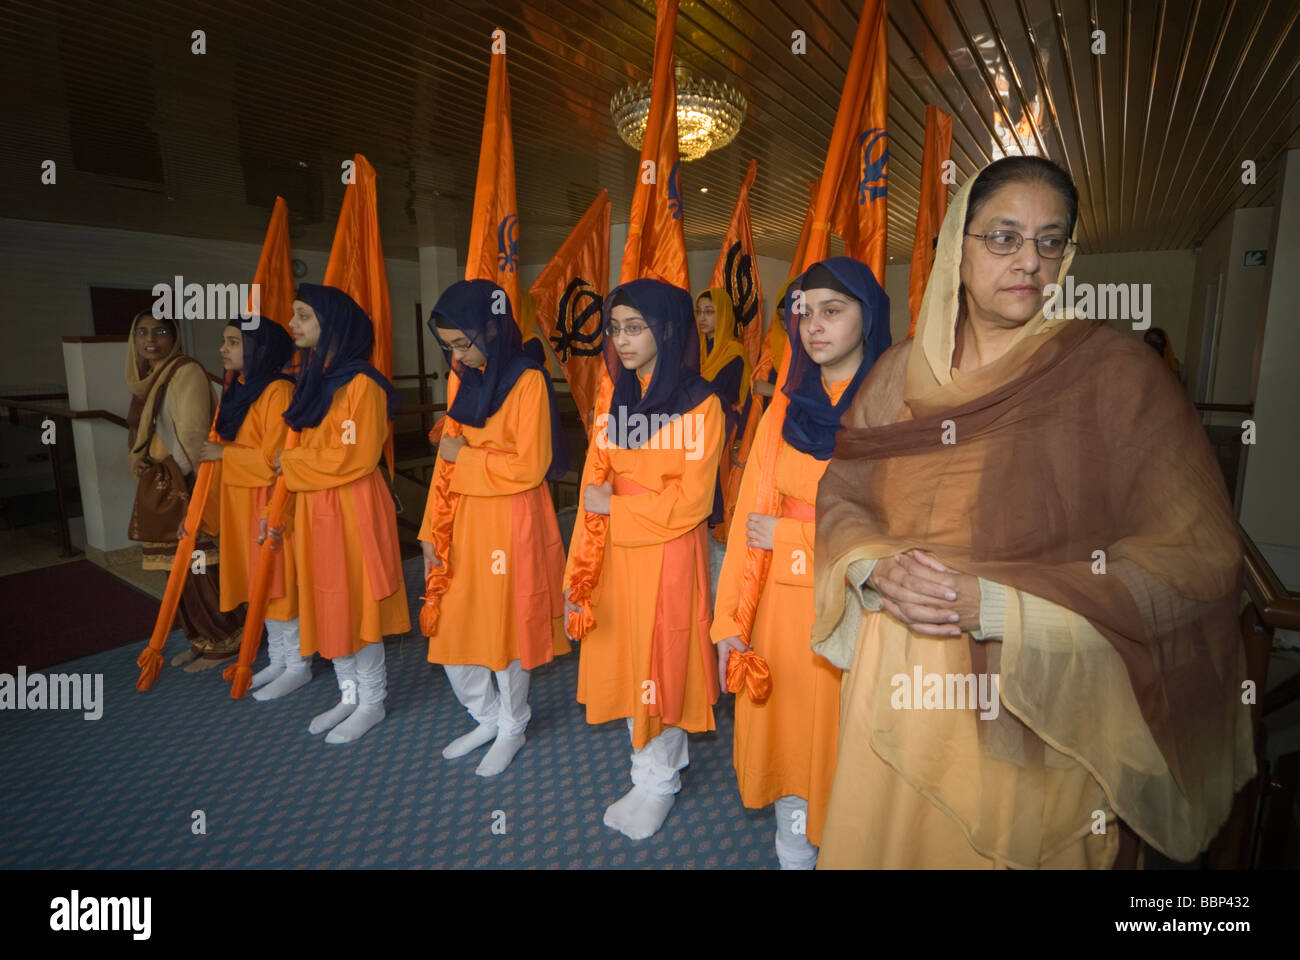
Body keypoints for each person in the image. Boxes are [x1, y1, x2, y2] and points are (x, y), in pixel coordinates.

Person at [810, 156, 1255, 868]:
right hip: (893, 680)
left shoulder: (1114, 376)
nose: (1030, 261)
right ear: (958, 245)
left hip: (1034, 701)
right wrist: (873, 570)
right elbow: (845, 494)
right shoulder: (897, 374)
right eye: (1004, 237)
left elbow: (1197, 560)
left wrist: (993, 607)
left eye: (1051, 241)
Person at [712, 257, 890, 869]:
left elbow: (896, 534)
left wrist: (790, 537)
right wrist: (729, 622)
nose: (813, 325)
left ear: (871, 316)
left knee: (850, 742)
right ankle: (793, 853)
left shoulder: (897, 413)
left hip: (861, 615)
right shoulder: (784, 411)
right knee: (787, 735)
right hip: (783, 613)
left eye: (832, 310)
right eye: (803, 312)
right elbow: (746, 525)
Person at [564, 279, 724, 841]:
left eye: (636, 327)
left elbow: (694, 501)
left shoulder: (701, 402)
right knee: (628, 657)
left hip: (666, 551)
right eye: (615, 328)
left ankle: (659, 780)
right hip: (614, 550)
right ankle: (647, 769)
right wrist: (577, 568)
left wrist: (618, 509)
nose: (622, 339)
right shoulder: (614, 392)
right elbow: (594, 476)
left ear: (668, 328)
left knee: (663, 660)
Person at [420, 279, 570, 777]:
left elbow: (530, 466)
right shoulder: (461, 378)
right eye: (448, 348)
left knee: (506, 628)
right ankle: (484, 716)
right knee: (453, 621)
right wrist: (428, 531)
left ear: (491, 328)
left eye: (463, 343)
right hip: (464, 518)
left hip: (513, 520)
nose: (457, 356)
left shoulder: (528, 380)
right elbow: (445, 462)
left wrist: (466, 456)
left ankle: (513, 723)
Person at [274, 283, 410, 744]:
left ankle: (372, 700)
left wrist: (289, 463)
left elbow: (352, 456)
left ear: (332, 325)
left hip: (351, 508)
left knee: (358, 604)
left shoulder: (362, 385)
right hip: (317, 506)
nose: (293, 324)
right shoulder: (316, 377)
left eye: (304, 316)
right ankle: (348, 694)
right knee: (330, 602)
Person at [190, 318, 310, 701]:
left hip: (268, 500)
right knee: (259, 583)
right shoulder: (240, 389)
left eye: (233, 342)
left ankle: (298, 665)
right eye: (223, 342)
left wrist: (226, 454)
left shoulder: (278, 391)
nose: (223, 349)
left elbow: (279, 458)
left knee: (277, 584)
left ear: (259, 349)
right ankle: (278, 658)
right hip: (240, 499)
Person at [125, 310, 242, 672]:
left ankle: (225, 639)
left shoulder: (184, 371)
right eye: (142, 332)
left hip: (186, 483)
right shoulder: (148, 377)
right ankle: (200, 638)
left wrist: (186, 489)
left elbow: (193, 435)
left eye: (160, 332)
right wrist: (144, 462)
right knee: (174, 570)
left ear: (174, 338)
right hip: (163, 482)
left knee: (199, 567)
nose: (151, 339)